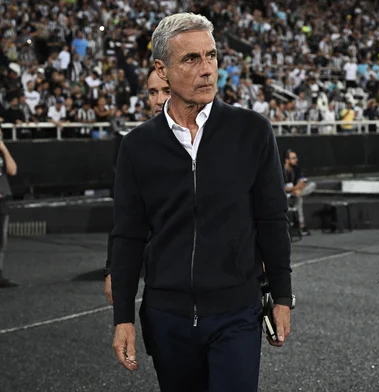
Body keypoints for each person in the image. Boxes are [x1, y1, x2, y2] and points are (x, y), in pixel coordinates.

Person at [111, 13, 293, 392]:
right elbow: (127, 235)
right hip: (166, 317)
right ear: (161, 70)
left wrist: (283, 296)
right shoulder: (137, 146)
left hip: (237, 311)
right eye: (191, 59)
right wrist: (123, 317)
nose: (207, 69)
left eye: (211, 56)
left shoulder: (252, 130)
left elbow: (273, 218)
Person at [104, 67, 171, 304]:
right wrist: (113, 267)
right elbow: (125, 217)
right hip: (161, 276)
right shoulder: (136, 145)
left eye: (166, 91)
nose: (159, 100)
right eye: (153, 92)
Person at [283, 149, 316, 236]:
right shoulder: (280, 171)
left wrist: (298, 188)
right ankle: (302, 227)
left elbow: (303, 181)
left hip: (295, 193)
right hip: (284, 196)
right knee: (298, 198)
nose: (296, 160)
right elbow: (282, 189)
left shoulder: (296, 169)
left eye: (296, 158)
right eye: (293, 158)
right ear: (287, 160)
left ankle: (301, 227)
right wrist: (296, 188)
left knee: (312, 185)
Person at [0, 130, 18, 288]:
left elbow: (12, 170)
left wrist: (3, 148)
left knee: (1, 240)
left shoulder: (1, 153)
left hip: (2, 198)